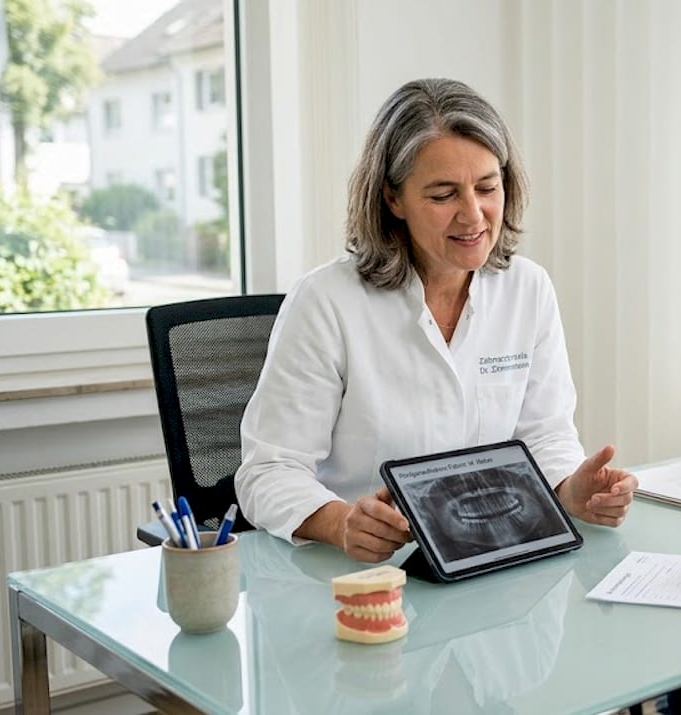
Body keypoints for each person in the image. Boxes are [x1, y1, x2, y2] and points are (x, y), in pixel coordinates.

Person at [236, 78, 636, 562]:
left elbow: (545, 434)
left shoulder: (527, 289)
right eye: (443, 195)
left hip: (488, 561)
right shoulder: (325, 301)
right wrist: (342, 523)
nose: (473, 216)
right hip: (366, 576)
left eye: (487, 188)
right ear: (392, 199)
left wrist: (572, 490)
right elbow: (268, 470)